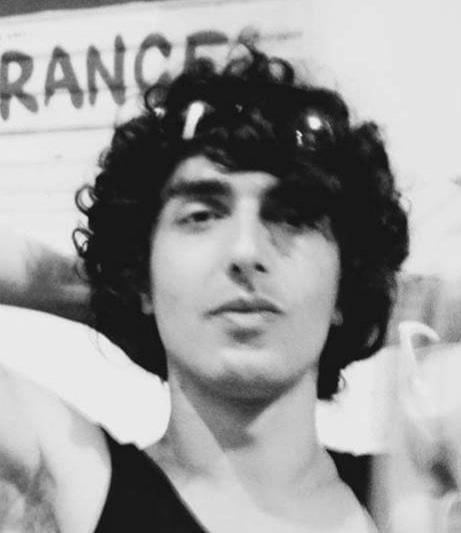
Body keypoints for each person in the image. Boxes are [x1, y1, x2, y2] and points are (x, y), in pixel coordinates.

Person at [0, 47, 408, 532]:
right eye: (201, 216)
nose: (246, 250)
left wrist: (412, 308)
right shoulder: (68, 485)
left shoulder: (424, 495)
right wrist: (100, 291)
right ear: (142, 272)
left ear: (345, 278)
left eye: (293, 217)